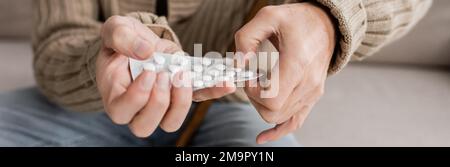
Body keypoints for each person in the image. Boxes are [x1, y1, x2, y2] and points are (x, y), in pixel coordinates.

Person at [0, 0, 431, 146]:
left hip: (227, 106)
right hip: (90, 100)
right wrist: (98, 63)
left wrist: (329, 18)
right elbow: (59, 42)